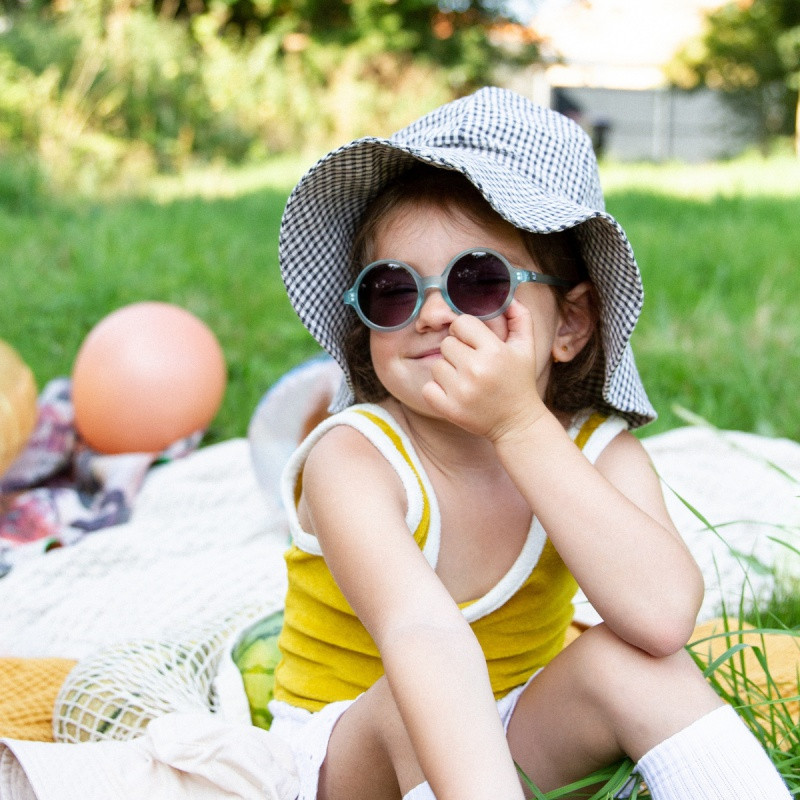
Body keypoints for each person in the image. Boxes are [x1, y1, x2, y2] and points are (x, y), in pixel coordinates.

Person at [271, 87, 791, 800]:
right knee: (414, 687)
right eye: (394, 291)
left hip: (506, 740)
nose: (430, 315)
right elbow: (421, 636)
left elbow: (664, 617)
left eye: (477, 284)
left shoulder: (594, 450)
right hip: (344, 759)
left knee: (635, 664)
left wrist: (519, 427)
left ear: (571, 325)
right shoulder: (355, 458)